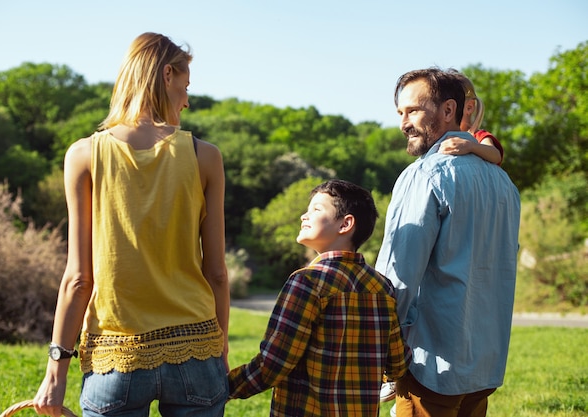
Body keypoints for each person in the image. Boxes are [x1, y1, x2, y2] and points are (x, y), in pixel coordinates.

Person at [33, 32, 229, 417]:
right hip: (195, 351)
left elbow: (78, 278)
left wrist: (56, 372)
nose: (187, 100)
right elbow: (217, 272)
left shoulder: (84, 155)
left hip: (115, 358)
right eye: (185, 86)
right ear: (167, 74)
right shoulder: (205, 157)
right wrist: (217, 348)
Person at [375, 68, 520, 417]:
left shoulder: (425, 175)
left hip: (430, 366)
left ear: (448, 110)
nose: (403, 124)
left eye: (413, 111)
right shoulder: (504, 185)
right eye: (400, 113)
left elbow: (398, 274)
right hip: (484, 363)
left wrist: (378, 346)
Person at [227, 179, 411, 417]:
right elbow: (397, 363)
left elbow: (273, 365)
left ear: (345, 224)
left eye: (316, 209)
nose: (304, 216)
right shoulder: (381, 288)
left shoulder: (306, 282)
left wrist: (225, 387)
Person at [439, 70, 503, 165]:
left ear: (469, 107)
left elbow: (496, 155)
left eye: (450, 108)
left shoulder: (479, 136)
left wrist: (469, 146)